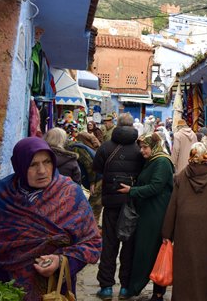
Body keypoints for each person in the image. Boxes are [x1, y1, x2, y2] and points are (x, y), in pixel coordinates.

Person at [0, 137, 101, 300]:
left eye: (47, 162)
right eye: (33, 165)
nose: (42, 171)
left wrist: (61, 261)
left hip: (52, 292)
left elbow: (92, 243)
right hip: (5, 291)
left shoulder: (70, 194)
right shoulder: (1, 195)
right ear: (20, 166)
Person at [162, 142, 207, 301]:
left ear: (191, 156)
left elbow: (173, 204)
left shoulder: (181, 176)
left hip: (185, 226)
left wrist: (167, 232)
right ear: (206, 155)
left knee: (185, 264)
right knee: (206, 264)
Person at [117, 133, 174, 300]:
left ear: (154, 146)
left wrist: (132, 191)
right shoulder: (152, 161)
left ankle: (157, 292)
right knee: (145, 250)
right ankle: (138, 286)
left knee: (152, 250)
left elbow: (156, 186)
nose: (142, 151)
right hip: (148, 212)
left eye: (145, 147)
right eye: (141, 147)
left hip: (156, 214)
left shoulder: (162, 162)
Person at [93, 112, 144, 300]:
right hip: (131, 204)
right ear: (132, 127)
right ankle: (125, 287)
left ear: (117, 125)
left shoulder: (106, 147)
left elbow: (97, 168)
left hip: (111, 203)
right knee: (128, 246)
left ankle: (106, 287)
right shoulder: (139, 149)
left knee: (109, 245)